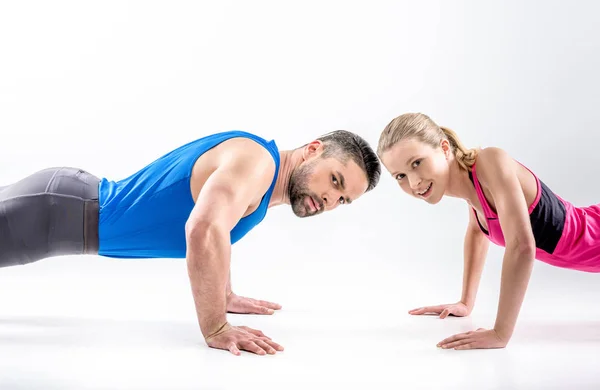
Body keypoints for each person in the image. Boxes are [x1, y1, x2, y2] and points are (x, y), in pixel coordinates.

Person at [0, 129, 381, 356]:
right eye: (335, 181)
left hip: (64, 207)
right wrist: (216, 326)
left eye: (343, 199)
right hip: (55, 213)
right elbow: (203, 229)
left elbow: (219, 228)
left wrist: (225, 293)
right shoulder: (258, 163)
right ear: (313, 149)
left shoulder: (260, 178)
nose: (332, 200)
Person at [376, 112, 600, 351]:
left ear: (443, 148)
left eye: (417, 163)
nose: (414, 183)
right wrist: (465, 303)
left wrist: (500, 333)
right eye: (400, 176)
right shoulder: (471, 191)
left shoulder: (491, 162)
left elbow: (522, 246)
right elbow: (476, 234)